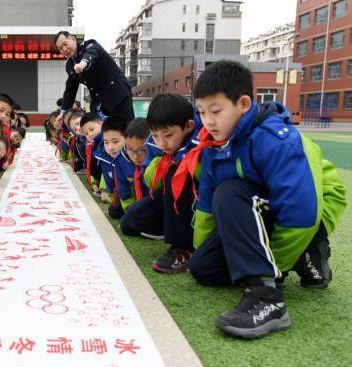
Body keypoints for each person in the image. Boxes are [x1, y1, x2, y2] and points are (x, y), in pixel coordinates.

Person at [187, 60, 347, 338]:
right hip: (259, 211)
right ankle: (294, 261)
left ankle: (268, 299)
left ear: (244, 104)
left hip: (312, 211)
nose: (208, 121)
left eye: (216, 111)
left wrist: (273, 273)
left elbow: (301, 214)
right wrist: (204, 249)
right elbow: (206, 208)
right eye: (201, 112)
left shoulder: (275, 140)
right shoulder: (215, 145)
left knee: (230, 193)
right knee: (203, 268)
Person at [145, 94, 201, 274]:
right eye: (155, 136)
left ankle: (183, 246)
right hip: (167, 197)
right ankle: (170, 230)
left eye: (168, 135)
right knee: (133, 220)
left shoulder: (201, 142)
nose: (161, 143)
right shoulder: (159, 143)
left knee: (177, 173)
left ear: (189, 126)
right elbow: (150, 179)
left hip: (202, 203)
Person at [54, 30, 134, 125]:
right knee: (100, 132)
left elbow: (91, 54)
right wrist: (63, 112)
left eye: (65, 44)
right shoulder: (70, 65)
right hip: (98, 101)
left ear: (73, 39)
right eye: (60, 48)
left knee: (127, 129)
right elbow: (70, 89)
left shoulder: (90, 45)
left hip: (117, 94)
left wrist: (83, 63)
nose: (64, 49)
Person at [113, 118, 151, 213]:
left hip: (153, 205)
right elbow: (124, 189)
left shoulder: (155, 162)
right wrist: (130, 212)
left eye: (141, 150)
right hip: (135, 202)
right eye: (130, 149)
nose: (135, 156)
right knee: (114, 211)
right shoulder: (120, 160)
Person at [96, 114, 127, 219]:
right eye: (106, 143)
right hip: (120, 198)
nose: (110, 147)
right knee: (114, 211)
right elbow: (109, 180)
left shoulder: (134, 159)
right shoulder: (104, 157)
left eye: (115, 142)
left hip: (136, 199)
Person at [80, 112, 104, 196]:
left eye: (92, 129)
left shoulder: (107, 139)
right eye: (86, 133)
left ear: (101, 123)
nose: (90, 134)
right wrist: (94, 182)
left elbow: (109, 165)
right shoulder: (92, 144)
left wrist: (106, 190)